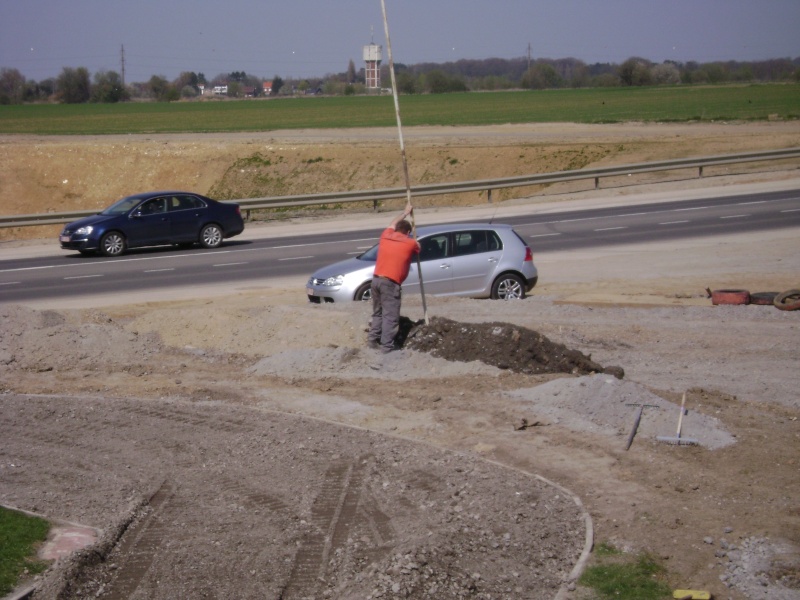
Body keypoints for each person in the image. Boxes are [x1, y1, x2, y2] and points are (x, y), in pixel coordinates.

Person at [368, 200, 420, 353]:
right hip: (390, 283)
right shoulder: (410, 243)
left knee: (378, 312)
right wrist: (415, 242)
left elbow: (392, 223)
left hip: (376, 280)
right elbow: (418, 249)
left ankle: (372, 341)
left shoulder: (386, 235)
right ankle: (387, 347)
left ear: (396, 229)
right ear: (408, 233)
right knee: (390, 316)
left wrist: (404, 212)